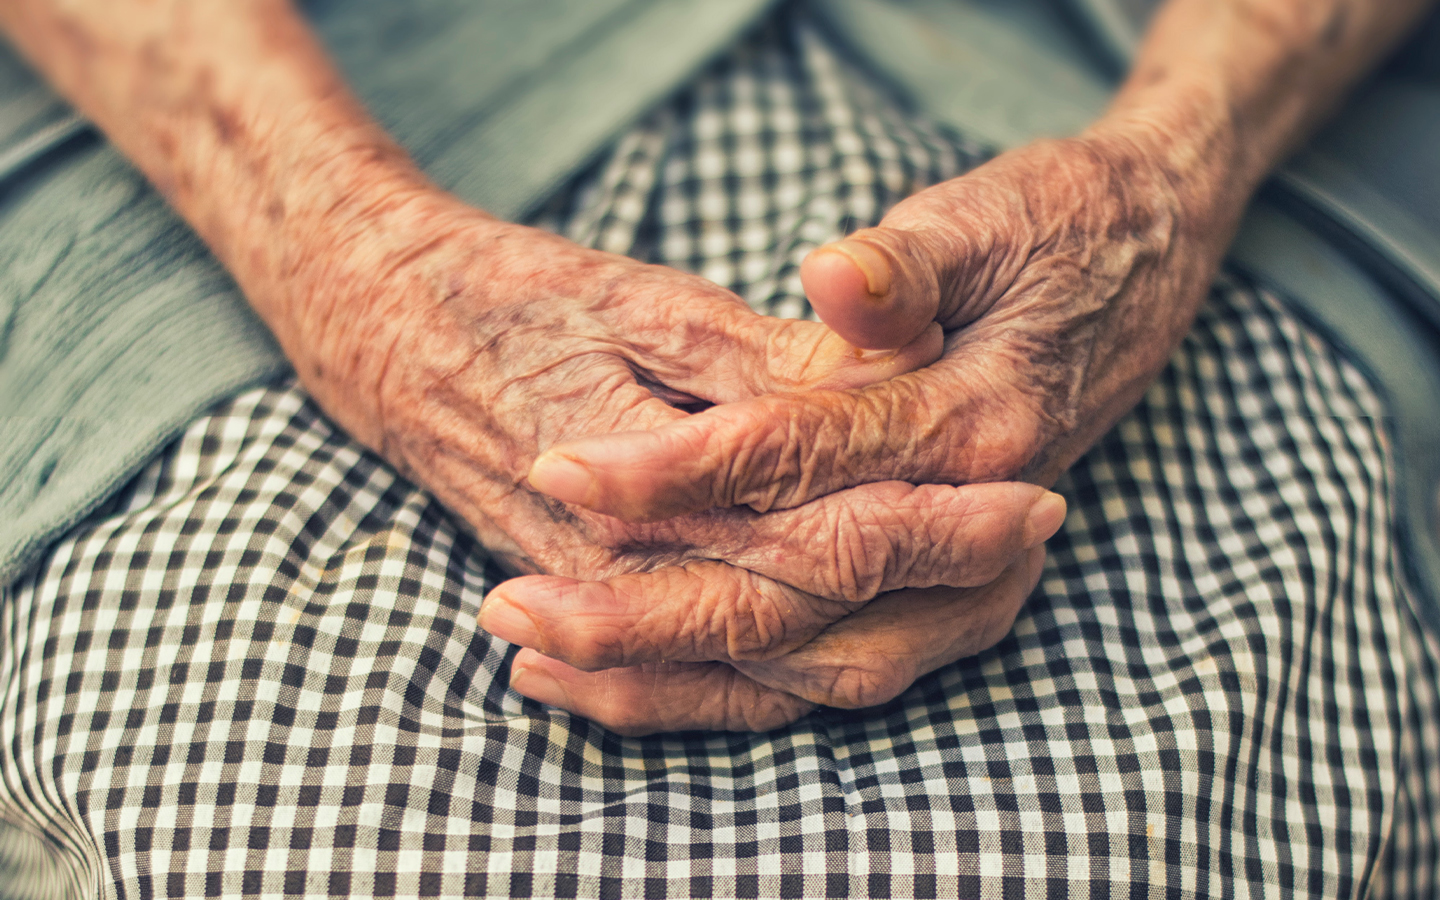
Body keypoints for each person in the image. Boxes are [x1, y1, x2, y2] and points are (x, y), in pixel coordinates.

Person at [0, 0, 1435, 896]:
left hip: (1145, 81)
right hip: (275, 117)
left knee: (1137, 841)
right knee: (284, 841)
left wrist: (1174, 173)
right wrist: (349, 256)